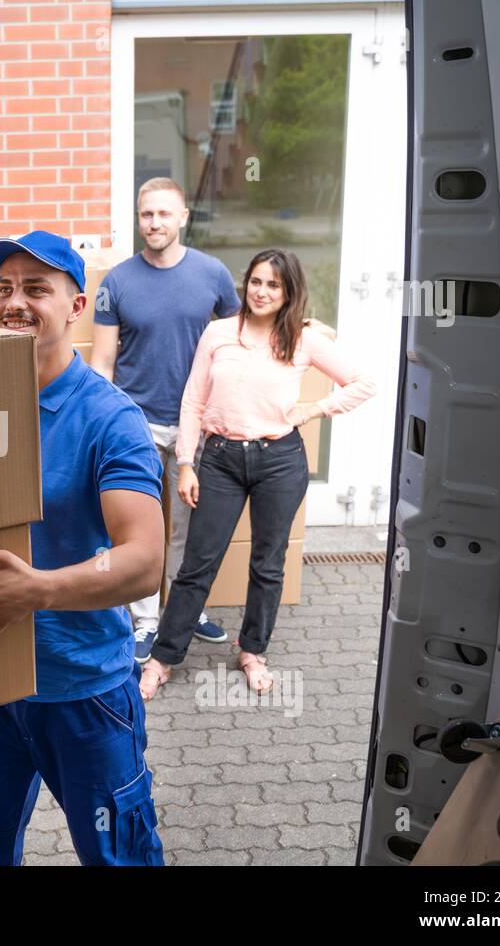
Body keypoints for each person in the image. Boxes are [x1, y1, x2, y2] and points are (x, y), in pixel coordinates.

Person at [0, 231, 166, 866]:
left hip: (83, 689)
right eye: (4, 288)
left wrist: (36, 591)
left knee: (119, 859)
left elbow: (143, 559)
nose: (15, 303)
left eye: (36, 288)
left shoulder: (110, 420)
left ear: (77, 306)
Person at [139, 249, 377, 701]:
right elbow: (192, 402)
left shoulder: (303, 340)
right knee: (197, 563)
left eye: (273, 285)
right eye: (255, 282)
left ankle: (252, 651)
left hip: (280, 461)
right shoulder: (219, 332)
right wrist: (186, 463)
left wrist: (313, 409)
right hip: (221, 459)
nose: (262, 291)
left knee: (269, 563)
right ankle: (163, 658)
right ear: (243, 285)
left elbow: (363, 383)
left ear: (288, 293)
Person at [90, 177, 241, 664]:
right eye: (145, 214)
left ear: (183, 218)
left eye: (163, 214)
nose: (153, 223)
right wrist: (104, 425)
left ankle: (185, 611)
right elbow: (102, 363)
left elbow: (240, 342)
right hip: (136, 424)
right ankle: (146, 621)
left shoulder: (213, 275)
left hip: (196, 425)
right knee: (142, 526)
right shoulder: (117, 282)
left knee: (188, 529)